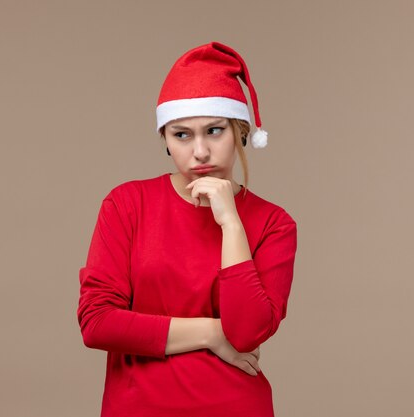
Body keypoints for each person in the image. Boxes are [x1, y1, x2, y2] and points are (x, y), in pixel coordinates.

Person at [77, 41, 298, 417]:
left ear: (241, 131)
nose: (199, 152)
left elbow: (246, 333)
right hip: (137, 407)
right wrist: (213, 334)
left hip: (235, 405)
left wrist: (230, 222)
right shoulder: (127, 204)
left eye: (214, 131)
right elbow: (97, 323)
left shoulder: (274, 223)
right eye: (181, 135)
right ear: (164, 139)